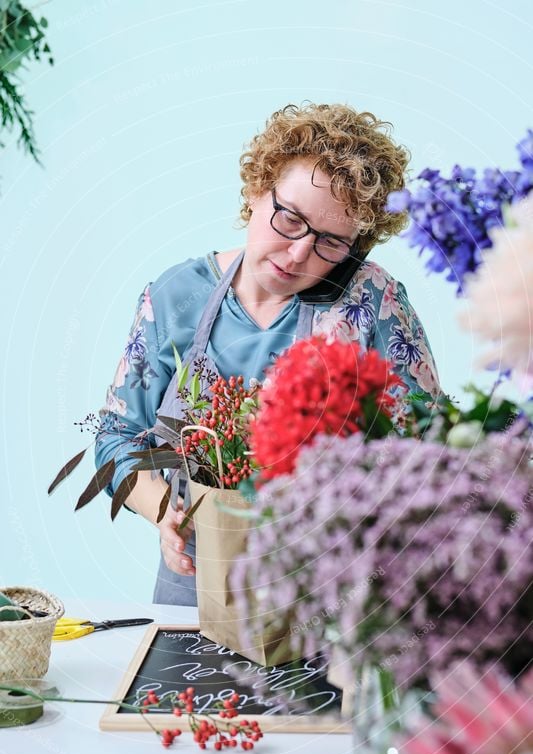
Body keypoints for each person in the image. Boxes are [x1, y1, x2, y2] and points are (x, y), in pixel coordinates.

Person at [95, 102, 441, 607]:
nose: (299, 253)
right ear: (258, 190)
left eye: (330, 242)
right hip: (198, 585)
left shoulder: (373, 302)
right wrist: (164, 509)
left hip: (332, 600)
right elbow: (117, 436)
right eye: (290, 220)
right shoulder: (175, 297)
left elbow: (431, 448)